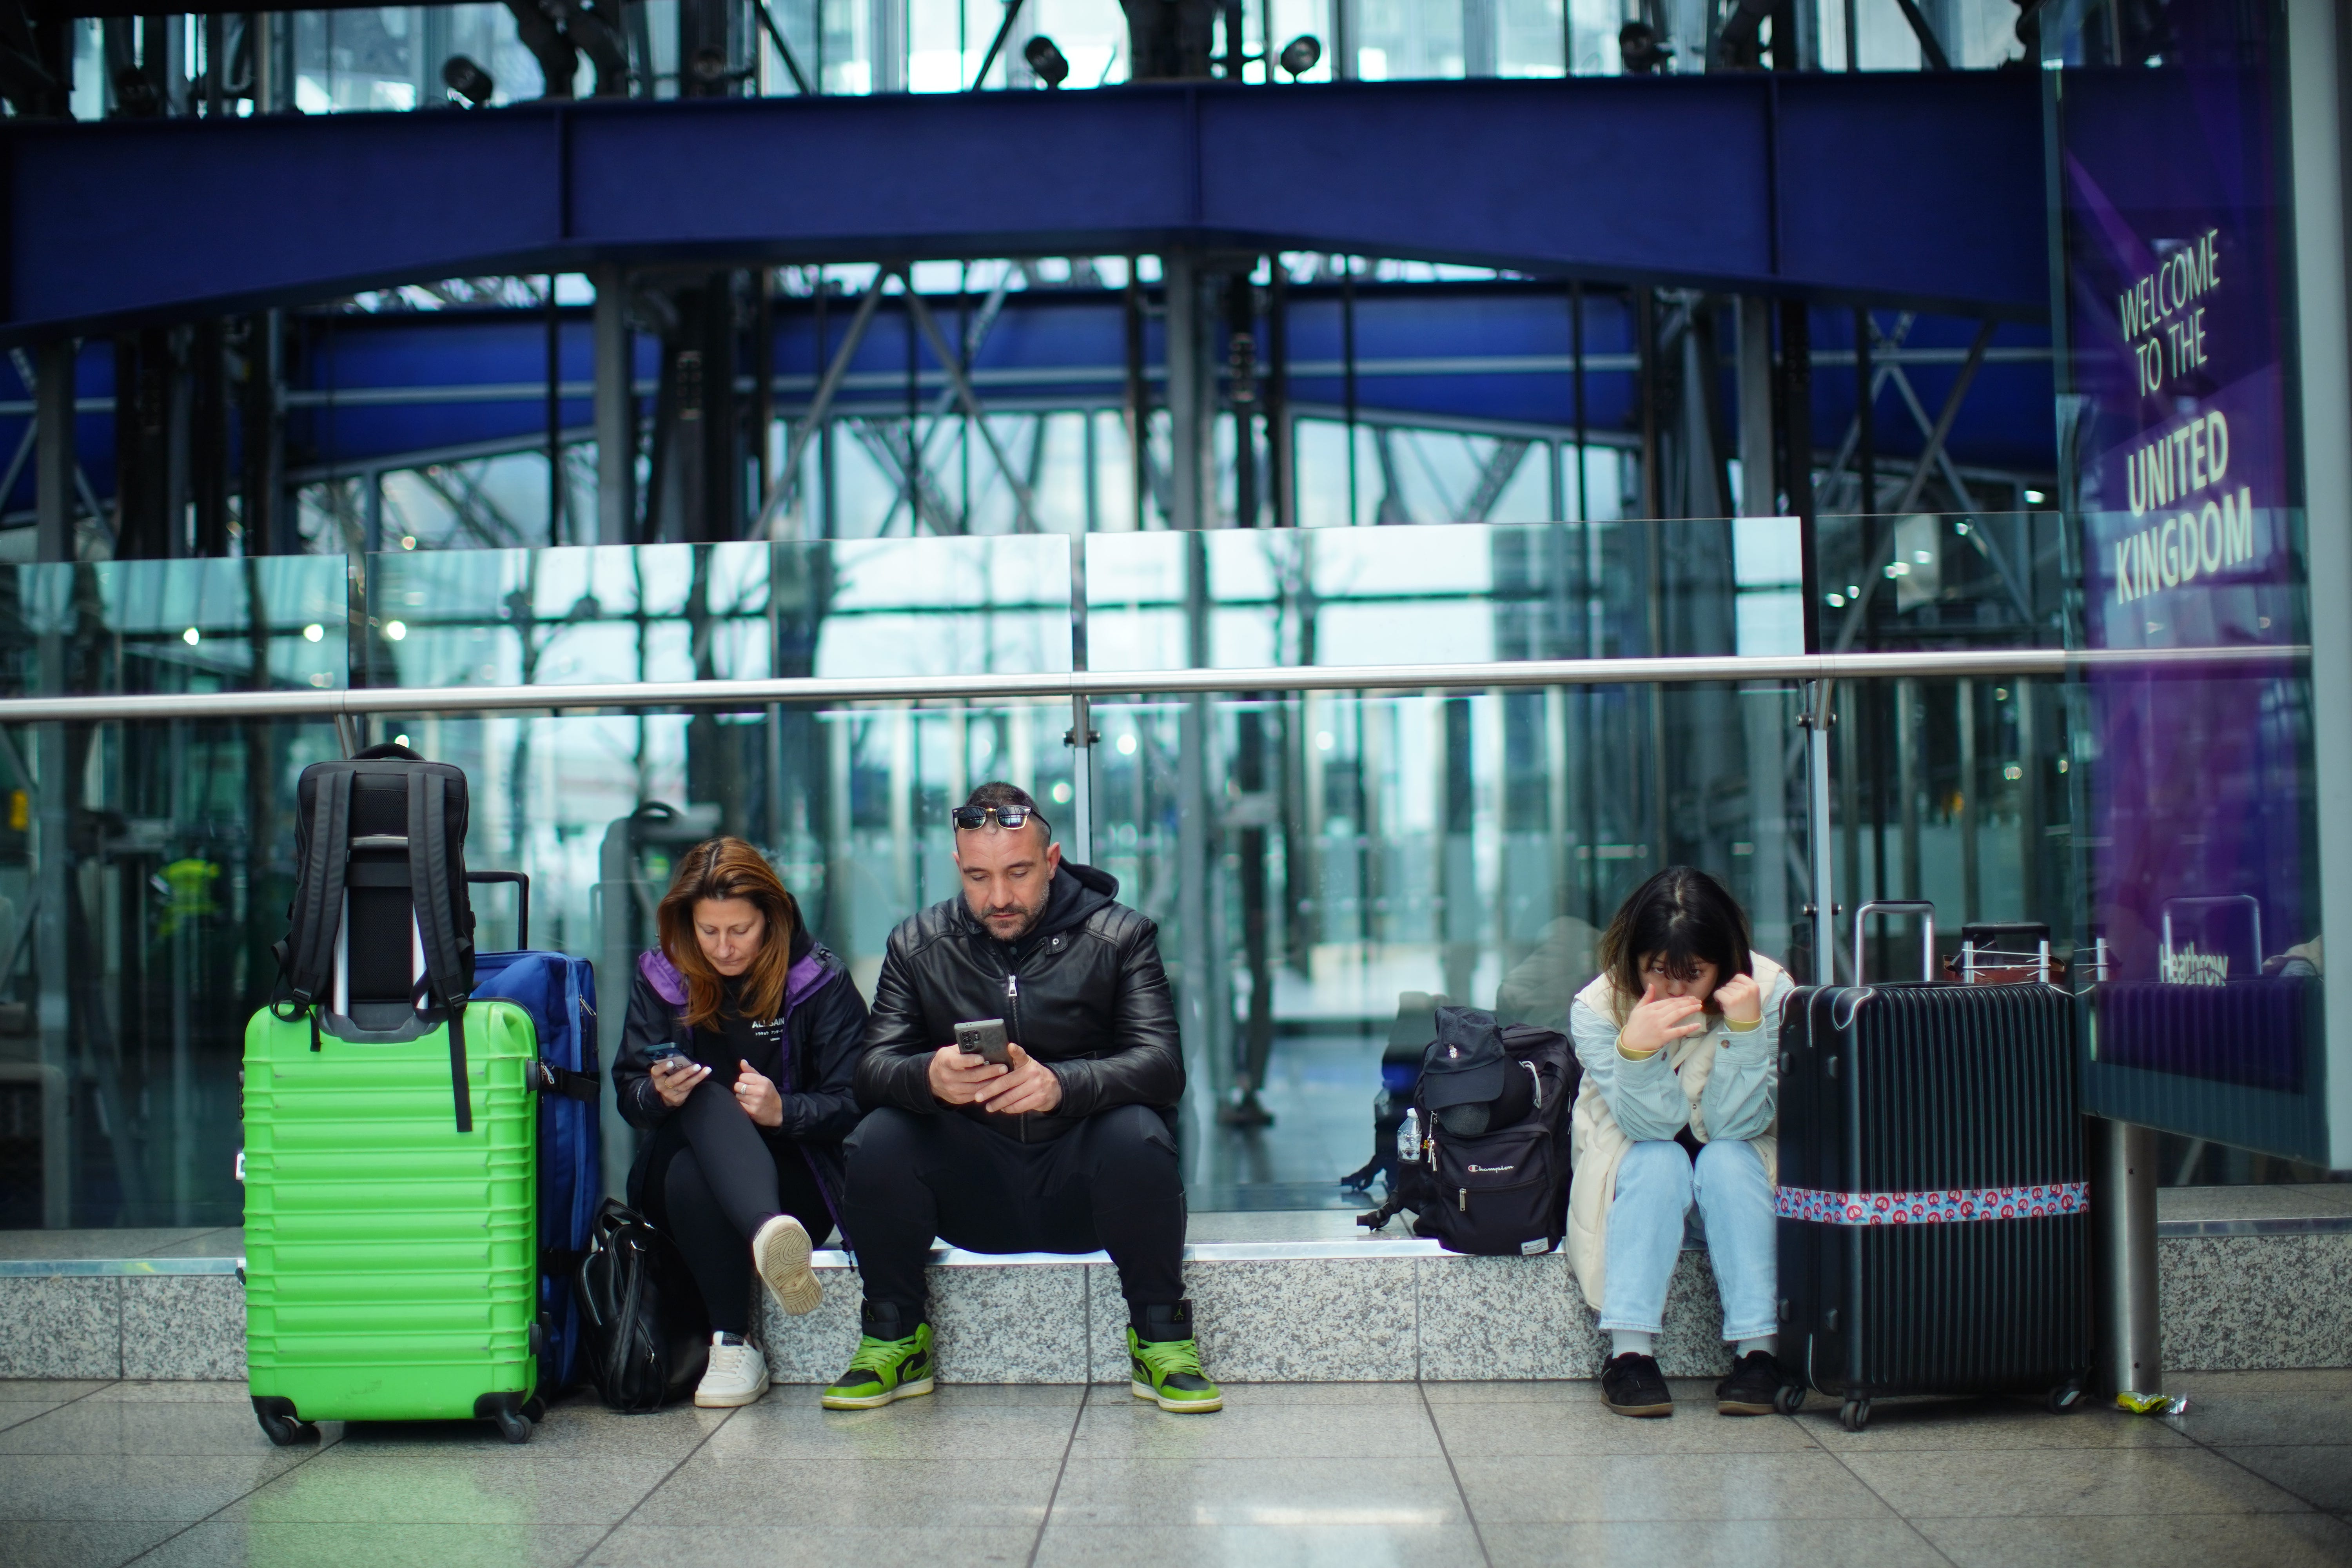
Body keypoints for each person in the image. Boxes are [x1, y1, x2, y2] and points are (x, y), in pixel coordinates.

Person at [826, 782, 1219, 1414]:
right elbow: (870, 1070)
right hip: (974, 1185)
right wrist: (929, 1076)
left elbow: (1162, 1065)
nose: (999, 898)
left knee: (1137, 1130)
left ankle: (1160, 1336)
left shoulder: (1122, 936)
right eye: (979, 878)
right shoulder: (917, 945)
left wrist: (1062, 1086)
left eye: (1018, 873)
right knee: (878, 1139)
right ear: (958, 867)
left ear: (1053, 860)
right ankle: (896, 1336)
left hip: (1082, 1185)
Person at [612, 836, 869, 1408]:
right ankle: (764, 1237)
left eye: (740, 931)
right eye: (709, 933)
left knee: (691, 1177)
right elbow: (627, 1096)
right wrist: (658, 1096)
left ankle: (734, 1344)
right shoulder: (662, 975)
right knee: (702, 1096)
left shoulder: (818, 981)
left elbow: (859, 1099)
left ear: (771, 921)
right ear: (688, 925)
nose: (724, 949)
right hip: (689, 1183)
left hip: (793, 1183)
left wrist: (785, 1110)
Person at [1565, 865, 1792, 1419]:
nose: (1673, 989)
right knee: (1661, 1160)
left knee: (1726, 1158)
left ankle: (1760, 1352)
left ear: (1725, 961)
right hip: (1637, 1173)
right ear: (1633, 960)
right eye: (1657, 972)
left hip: (1743, 1172)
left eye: (1693, 974)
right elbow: (1651, 1128)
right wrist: (1637, 1052)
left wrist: (1745, 1032)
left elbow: (1738, 1123)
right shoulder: (1598, 1008)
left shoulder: (1769, 990)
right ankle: (1630, 1355)